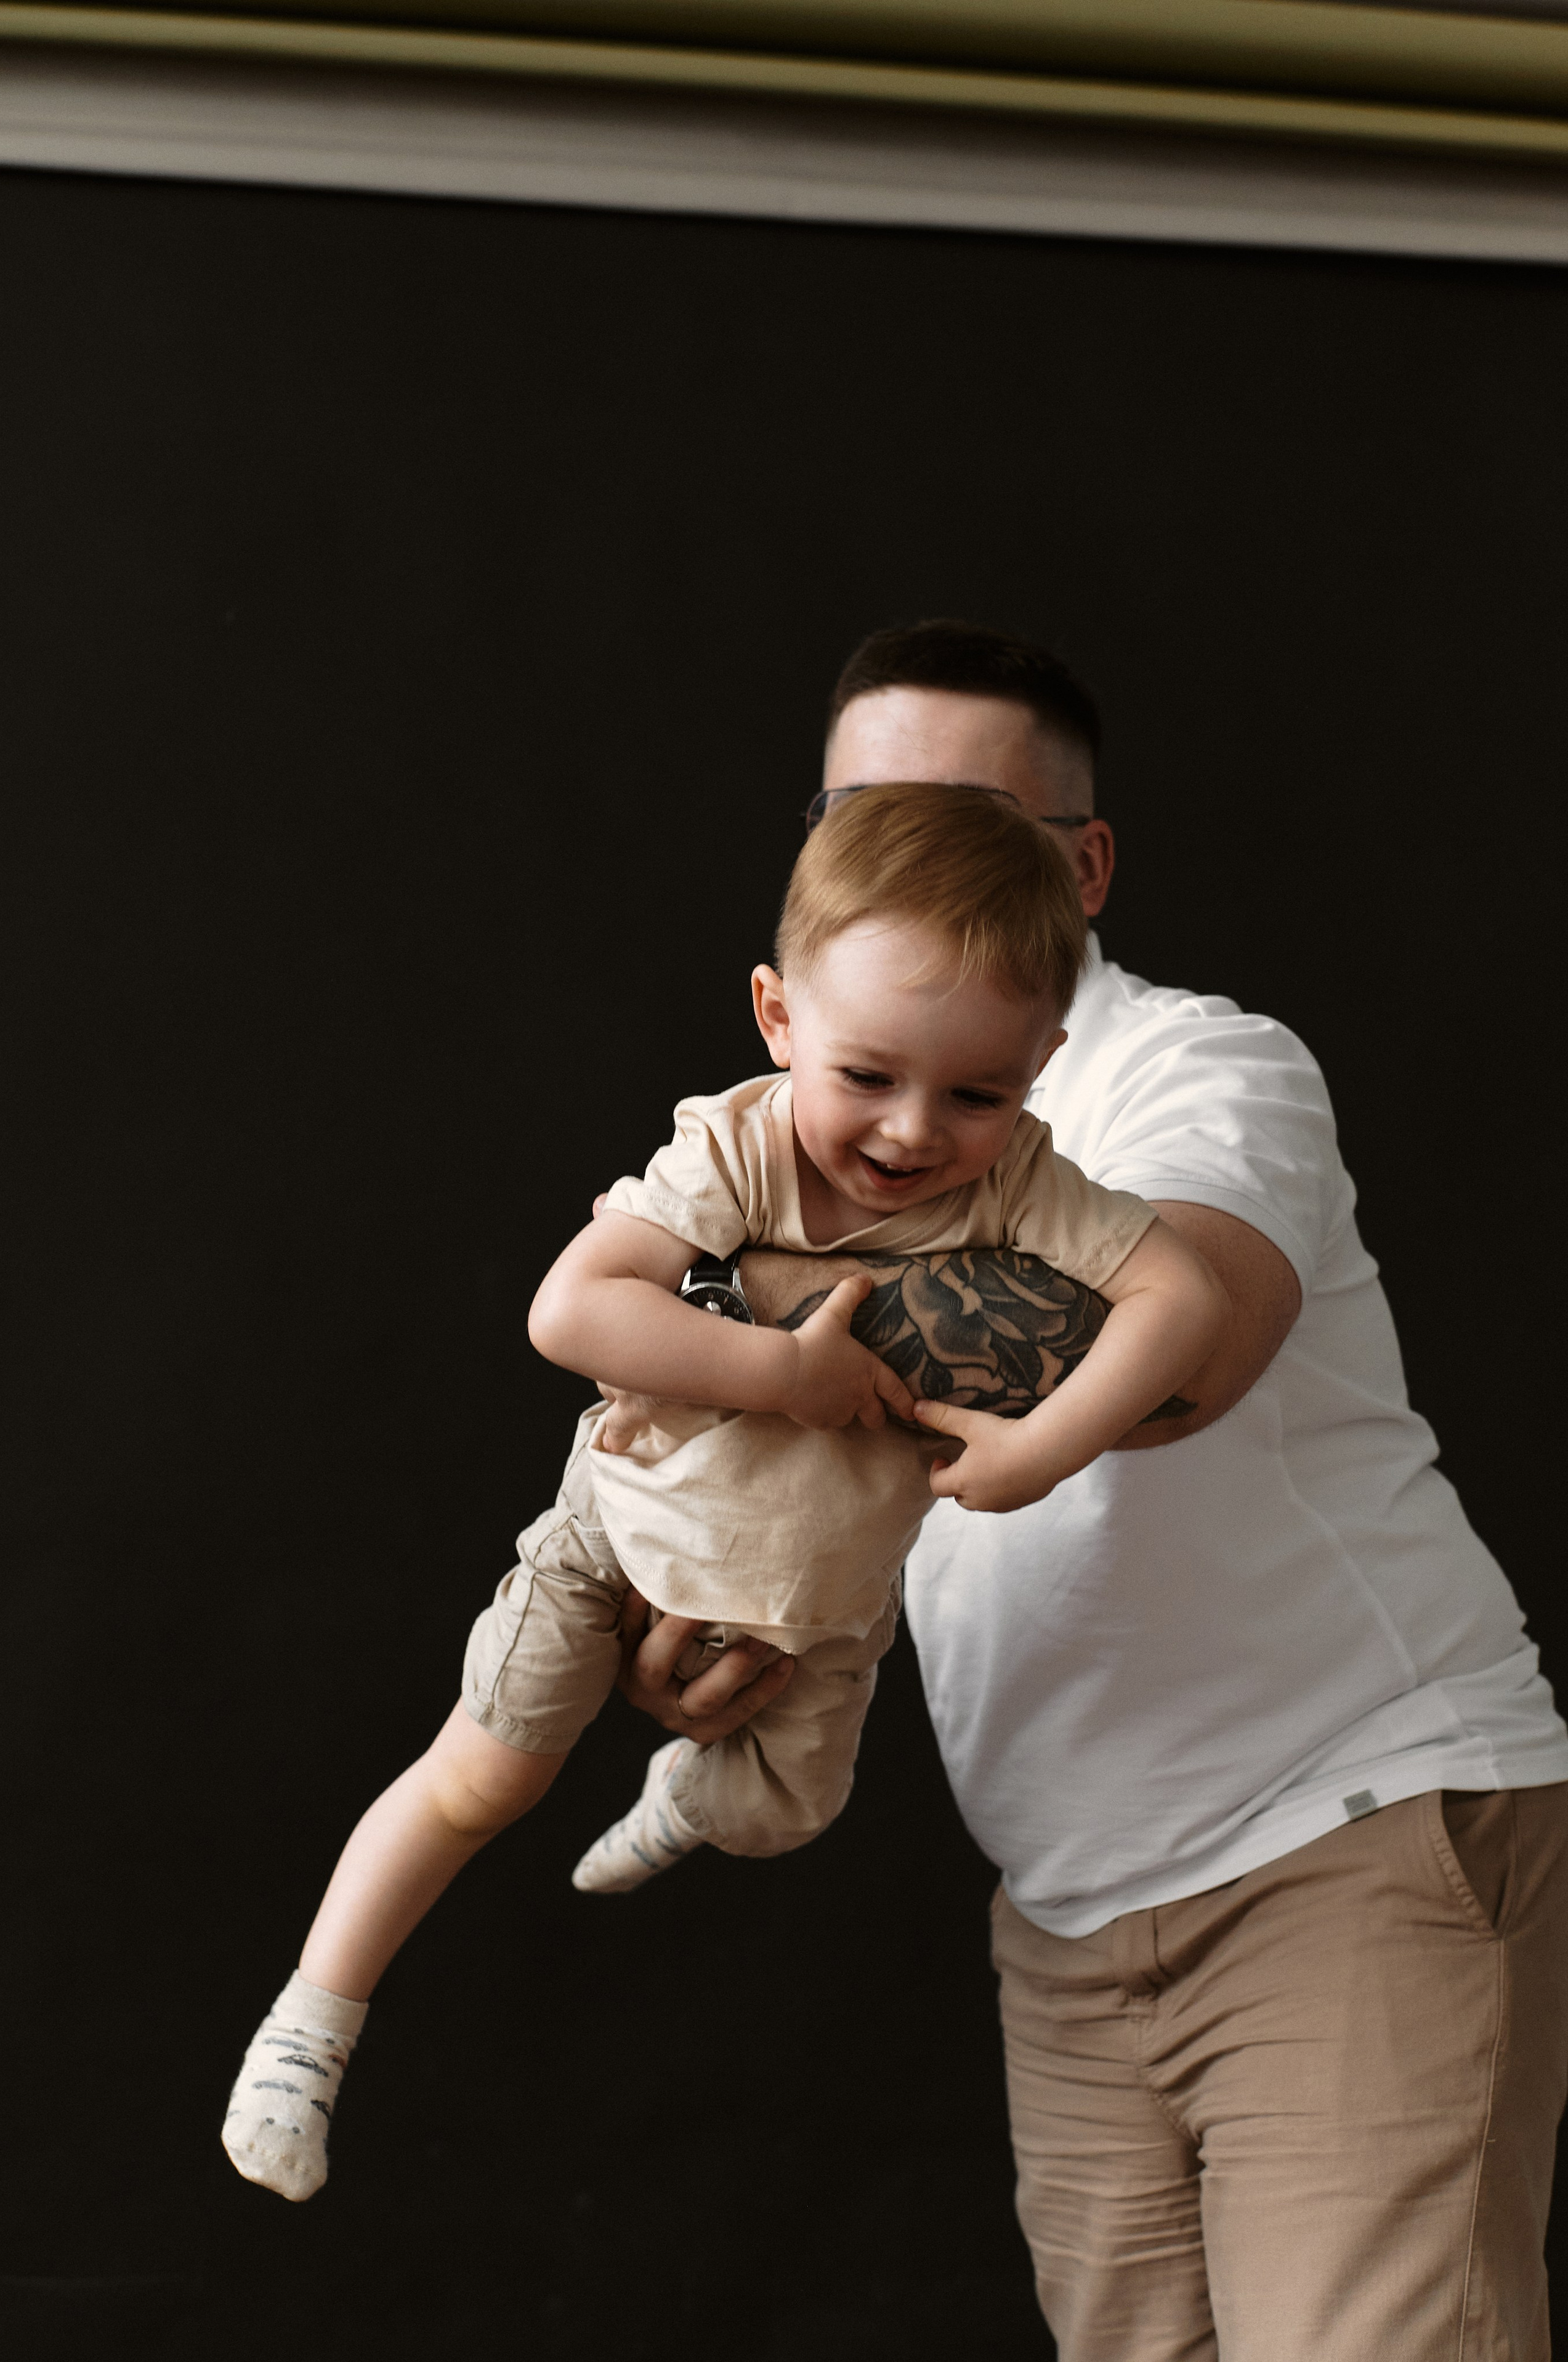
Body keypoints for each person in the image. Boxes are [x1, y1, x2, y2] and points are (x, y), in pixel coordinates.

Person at [618, 621, 1568, 2361]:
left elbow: (1169, 1340)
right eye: (864, 808)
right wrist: (741, 1621)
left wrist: (699, 1308)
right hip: (1066, 1900)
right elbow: (861, 1468)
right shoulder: (820, 1141)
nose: (924, 852)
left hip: (1340, 1835)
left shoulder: (1195, 1070)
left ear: (1087, 861)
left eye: (970, 810)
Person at [219, 778, 1223, 2206]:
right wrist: (781, 1374)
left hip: (815, 1602)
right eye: (865, 1075)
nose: (907, 1133)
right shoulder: (741, 1144)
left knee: (782, 1814)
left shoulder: (1021, 1187)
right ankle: (311, 2022)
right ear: (777, 1019)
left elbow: (1177, 1293)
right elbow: (569, 1309)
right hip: (624, 1531)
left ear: (1039, 1065)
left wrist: (1043, 1449)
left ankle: (684, 1798)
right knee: (481, 1774)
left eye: (977, 1093)